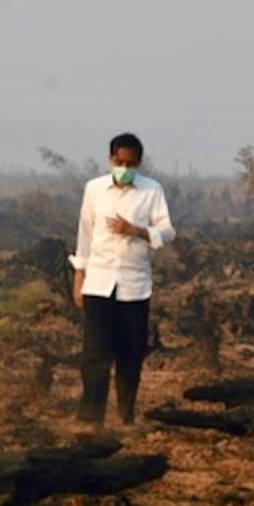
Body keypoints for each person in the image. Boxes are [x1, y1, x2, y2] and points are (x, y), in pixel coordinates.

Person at [68, 133, 176, 425]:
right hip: (98, 283)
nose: (124, 167)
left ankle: (125, 416)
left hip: (135, 286)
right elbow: (85, 235)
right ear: (110, 159)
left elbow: (167, 232)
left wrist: (137, 230)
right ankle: (91, 418)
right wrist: (80, 278)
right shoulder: (94, 190)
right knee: (95, 353)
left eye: (130, 163)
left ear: (139, 163)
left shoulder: (152, 191)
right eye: (119, 162)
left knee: (130, 354)